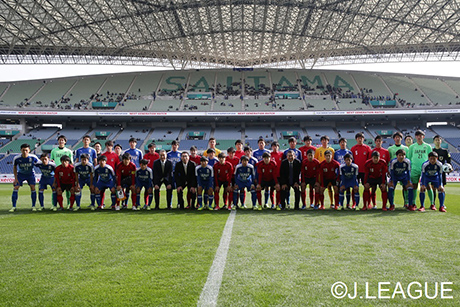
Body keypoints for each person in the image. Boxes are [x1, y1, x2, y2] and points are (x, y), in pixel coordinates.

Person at [10, 144, 39, 212]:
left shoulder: (33, 157)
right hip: (20, 174)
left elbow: (40, 163)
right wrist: (15, 178)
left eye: (26, 150)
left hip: (30, 174)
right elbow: (14, 167)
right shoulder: (17, 158)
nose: (25, 152)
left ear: (29, 150)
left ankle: (33, 206)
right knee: (16, 187)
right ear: (21, 150)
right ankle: (13, 206)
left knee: (33, 187)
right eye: (23, 150)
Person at [407, 130, 432, 208]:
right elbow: (409, 158)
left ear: (423, 137)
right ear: (415, 137)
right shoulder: (412, 147)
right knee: (414, 186)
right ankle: (413, 203)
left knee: (427, 186)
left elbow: (430, 158)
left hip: (425, 169)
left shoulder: (428, 146)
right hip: (414, 169)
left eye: (420, 135)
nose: (419, 137)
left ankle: (432, 203)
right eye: (417, 136)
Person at [388, 132, 409, 206]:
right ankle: (391, 204)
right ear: (394, 139)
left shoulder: (406, 148)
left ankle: (406, 202)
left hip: (403, 172)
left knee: (406, 187)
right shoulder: (390, 149)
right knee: (392, 187)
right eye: (396, 137)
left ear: (401, 138)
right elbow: (389, 160)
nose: (397, 139)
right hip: (394, 171)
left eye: (399, 137)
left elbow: (408, 160)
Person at [370, 135, 390, 208]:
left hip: (382, 174)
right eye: (377, 141)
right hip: (373, 174)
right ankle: (374, 205)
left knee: (384, 189)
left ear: (382, 142)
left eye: (380, 141)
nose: (378, 142)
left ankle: (384, 205)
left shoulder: (386, 151)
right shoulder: (372, 151)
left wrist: (387, 172)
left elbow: (387, 162)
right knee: (373, 189)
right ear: (375, 142)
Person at [432, 135, 451, 205]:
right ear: (434, 141)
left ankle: (442, 204)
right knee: (433, 188)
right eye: (436, 140)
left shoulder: (444, 151)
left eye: (439, 140)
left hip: (441, 172)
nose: (437, 141)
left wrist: (449, 168)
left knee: (442, 188)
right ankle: (433, 203)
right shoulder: (432, 151)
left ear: (441, 141)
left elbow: (448, 161)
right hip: (433, 172)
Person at [270, 141, 284, 208]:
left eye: (276, 146)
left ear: (278, 147)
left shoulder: (282, 154)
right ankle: (273, 203)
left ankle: (279, 203)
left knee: (279, 190)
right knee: (272, 189)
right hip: (272, 175)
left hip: (280, 175)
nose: (275, 147)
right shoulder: (270, 154)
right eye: (273, 146)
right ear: (272, 147)